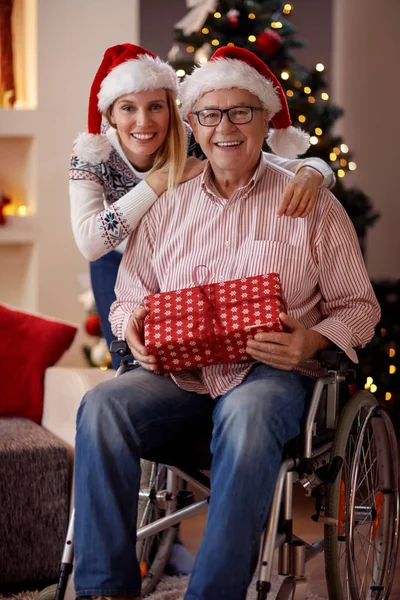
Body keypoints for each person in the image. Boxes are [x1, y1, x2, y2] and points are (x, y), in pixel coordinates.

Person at [73, 45, 380, 600]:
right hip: (180, 379)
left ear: (266, 120)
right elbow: (126, 298)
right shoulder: (167, 202)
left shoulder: (309, 199)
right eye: (210, 115)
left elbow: (360, 307)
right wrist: (131, 325)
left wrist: (311, 338)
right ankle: (106, 589)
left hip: (270, 376)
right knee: (102, 405)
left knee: (245, 406)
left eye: (241, 111)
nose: (225, 127)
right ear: (192, 124)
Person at [69, 43, 335, 369]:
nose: (143, 121)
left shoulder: (193, 137)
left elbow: (275, 165)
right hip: (117, 257)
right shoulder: (92, 154)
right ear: (109, 114)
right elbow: (89, 242)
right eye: (127, 108)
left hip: (168, 258)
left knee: (188, 356)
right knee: (130, 361)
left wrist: (312, 173)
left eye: (155, 107)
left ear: (172, 108)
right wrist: (157, 183)